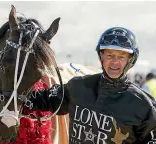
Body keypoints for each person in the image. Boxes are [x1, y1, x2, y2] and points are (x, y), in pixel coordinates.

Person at [23, 27, 156, 144]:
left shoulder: (144, 106)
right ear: (101, 56)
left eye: (121, 57)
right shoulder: (78, 87)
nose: (114, 62)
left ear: (131, 60)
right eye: (109, 55)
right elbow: (38, 99)